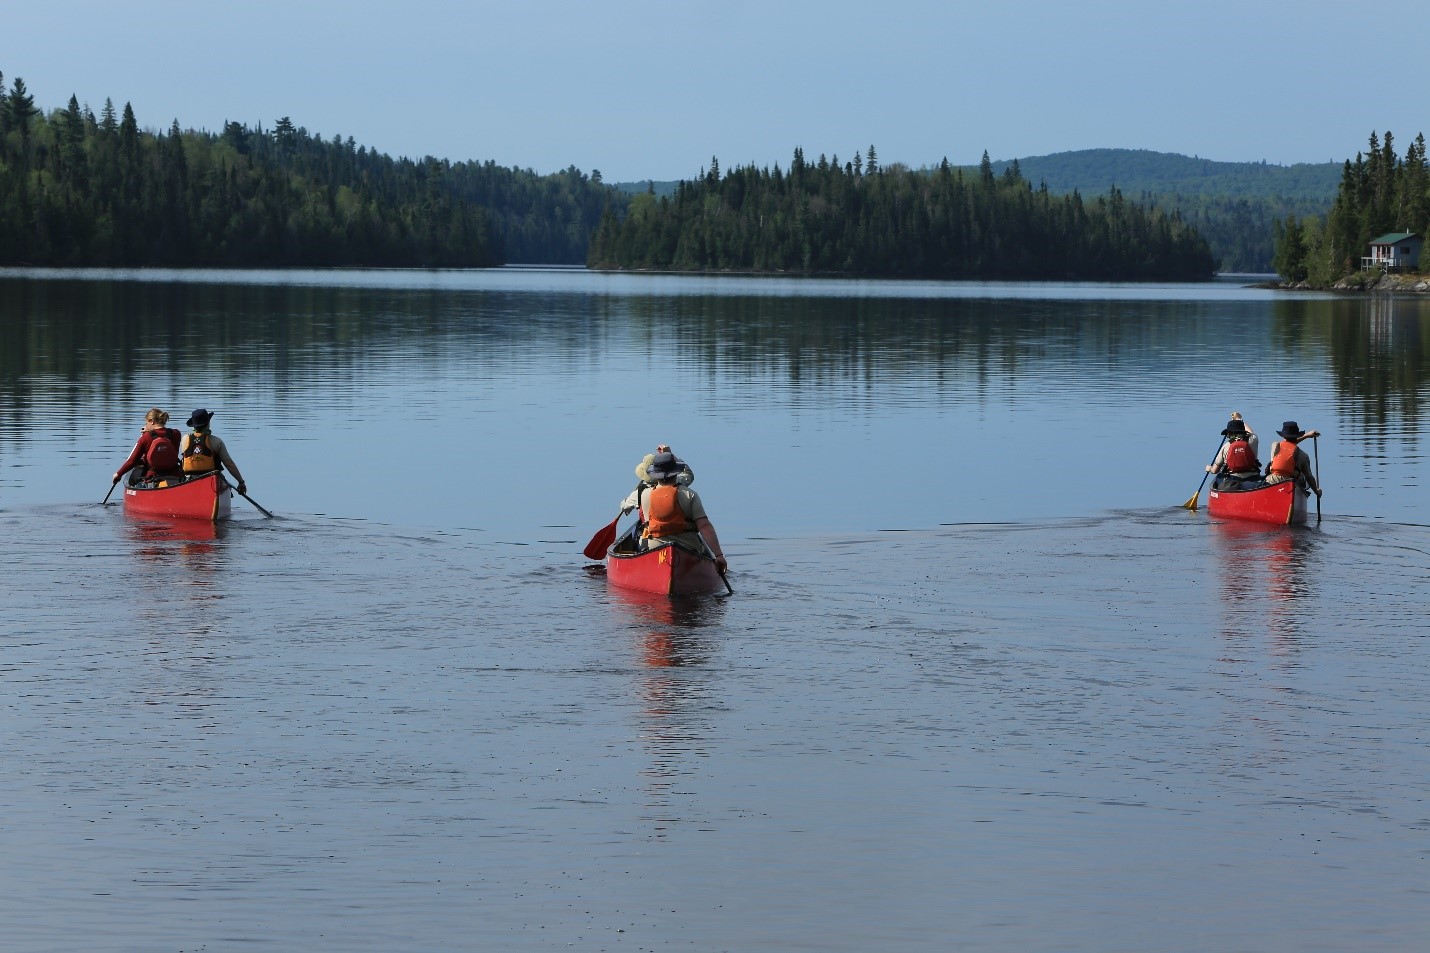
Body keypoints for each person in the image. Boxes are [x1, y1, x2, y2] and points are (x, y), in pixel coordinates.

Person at [626, 451, 727, 573]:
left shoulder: (643, 495)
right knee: (703, 550)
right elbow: (704, 526)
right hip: (687, 547)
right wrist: (719, 556)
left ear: (655, 474)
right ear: (676, 472)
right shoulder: (689, 495)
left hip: (655, 547)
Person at [177, 408, 248, 496]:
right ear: (208, 423)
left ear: (194, 425)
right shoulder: (217, 442)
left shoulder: (184, 439)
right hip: (212, 482)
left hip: (189, 481)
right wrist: (241, 482)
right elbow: (229, 464)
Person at [112, 408, 184, 487]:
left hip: (153, 476)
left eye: (146, 423)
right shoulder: (176, 433)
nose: (146, 425)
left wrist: (118, 474)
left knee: (131, 476)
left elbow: (132, 461)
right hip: (174, 475)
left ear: (152, 421)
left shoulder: (146, 437)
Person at [1263, 420, 1321, 498]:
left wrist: (1306, 436)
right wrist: (1317, 492)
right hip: (1291, 485)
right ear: (1297, 435)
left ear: (1283, 436)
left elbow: (1287, 445)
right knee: (1304, 478)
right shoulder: (1303, 455)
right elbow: (1309, 478)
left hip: (1272, 482)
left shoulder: (1275, 445)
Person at [1206, 414, 1262, 490]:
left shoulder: (1226, 446)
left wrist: (1209, 469)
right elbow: (1251, 432)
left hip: (1233, 481)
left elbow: (1215, 470)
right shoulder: (1253, 440)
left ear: (1229, 433)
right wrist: (1239, 419)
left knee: (1218, 477)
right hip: (1253, 478)